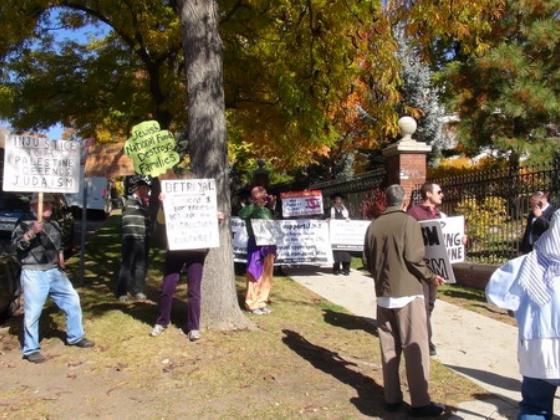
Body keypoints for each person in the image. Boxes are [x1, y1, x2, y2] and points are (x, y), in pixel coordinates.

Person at [364, 184, 445, 417]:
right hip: (408, 294)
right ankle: (420, 402)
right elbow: (414, 257)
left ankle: (391, 398)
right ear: (403, 201)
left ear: (386, 200)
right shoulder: (408, 222)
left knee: (388, 348)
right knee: (415, 347)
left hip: (383, 295)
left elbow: (368, 262)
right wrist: (430, 277)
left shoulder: (373, 226)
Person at [487, 209, 560, 419]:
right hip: (537, 349)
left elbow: (494, 294)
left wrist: (516, 306)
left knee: (535, 408)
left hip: (536, 350)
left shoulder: (525, 264)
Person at [11, 193, 94, 363]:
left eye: (50, 204)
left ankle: (75, 336)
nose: (49, 207)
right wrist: (31, 233)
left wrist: (61, 259)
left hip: (54, 271)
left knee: (72, 300)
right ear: (34, 206)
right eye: (45, 204)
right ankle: (30, 349)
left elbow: (59, 244)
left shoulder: (54, 223)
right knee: (33, 311)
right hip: (33, 272)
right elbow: (17, 246)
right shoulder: (23, 222)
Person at [149, 172, 224, 342]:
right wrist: (162, 204)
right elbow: (161, 221)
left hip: (196, 250)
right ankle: (162, 321)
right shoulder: (169, 198)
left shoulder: (204, 200)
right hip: (175, 247)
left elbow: (208, 221)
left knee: (194, 290)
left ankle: (194, 326)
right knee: (167, 287)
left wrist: (218, 218)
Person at [407, 182, 444, 356]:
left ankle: (422, 336)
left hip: (436, 268)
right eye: (439, 192)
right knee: (423, 305)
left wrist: (462, 238)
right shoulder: (414, 213)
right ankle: (425, 341)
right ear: (428, 194)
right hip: (421, 268)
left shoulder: (440, 215)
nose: (442, 195)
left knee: (430, 304)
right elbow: (407, 237)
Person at [238, 186, 277, 315]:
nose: (265, 197)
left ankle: (261, 301)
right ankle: (251, 303)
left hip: (269, 244)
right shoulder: (251, 209)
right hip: (256, 244)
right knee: (255, 273)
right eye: (262, 195)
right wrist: (256, 204)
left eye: (265, 195)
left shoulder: (267, 210)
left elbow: (272, 227)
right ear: (255, 197)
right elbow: (241, 214)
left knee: (267, 275)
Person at [116, 176, 151, 302]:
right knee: (126, 266)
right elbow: (113, 202)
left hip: (143, 239)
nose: (148, 191)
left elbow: (147, 222)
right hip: (130, 238)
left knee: (140, 266)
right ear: (140, 188)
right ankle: (121, 292)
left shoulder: (146, 203)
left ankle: (138, 290)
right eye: (146, 189)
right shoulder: (126, 199)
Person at [329, 193, 352, 275]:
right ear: (335, 201)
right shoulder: (332, 209)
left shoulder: (345, 210)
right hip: (336, 234)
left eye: (340, 200)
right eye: (337, 200)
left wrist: (348, 220)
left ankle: (346, 269)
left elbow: (347, 218)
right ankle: (336, 269)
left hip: (344, 235)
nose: (338, 201)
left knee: (346, 251)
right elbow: (331, 219)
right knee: (337, 251)